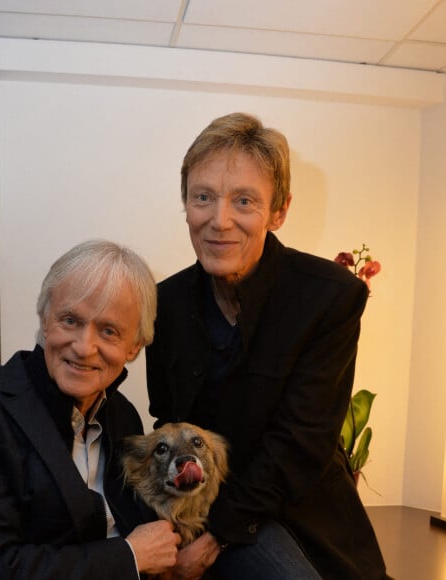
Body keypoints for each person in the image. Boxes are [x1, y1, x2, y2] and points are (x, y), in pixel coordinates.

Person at [146, 113, 388, 579]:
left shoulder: (331, 296)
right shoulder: (164, 303)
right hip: (204, 503)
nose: (219, 221)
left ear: (279, 211)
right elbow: (168, 422)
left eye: (244, 201)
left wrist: (213, 535)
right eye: (203, 197)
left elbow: (298, 445)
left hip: (302, 508)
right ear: (186, 203)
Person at [0, 240, 181, 580]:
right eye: (70, 320)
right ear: (44, 319)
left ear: (134, 347)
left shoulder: (122, 415)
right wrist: (129, 556)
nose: (83, 347)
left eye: (109, 331)